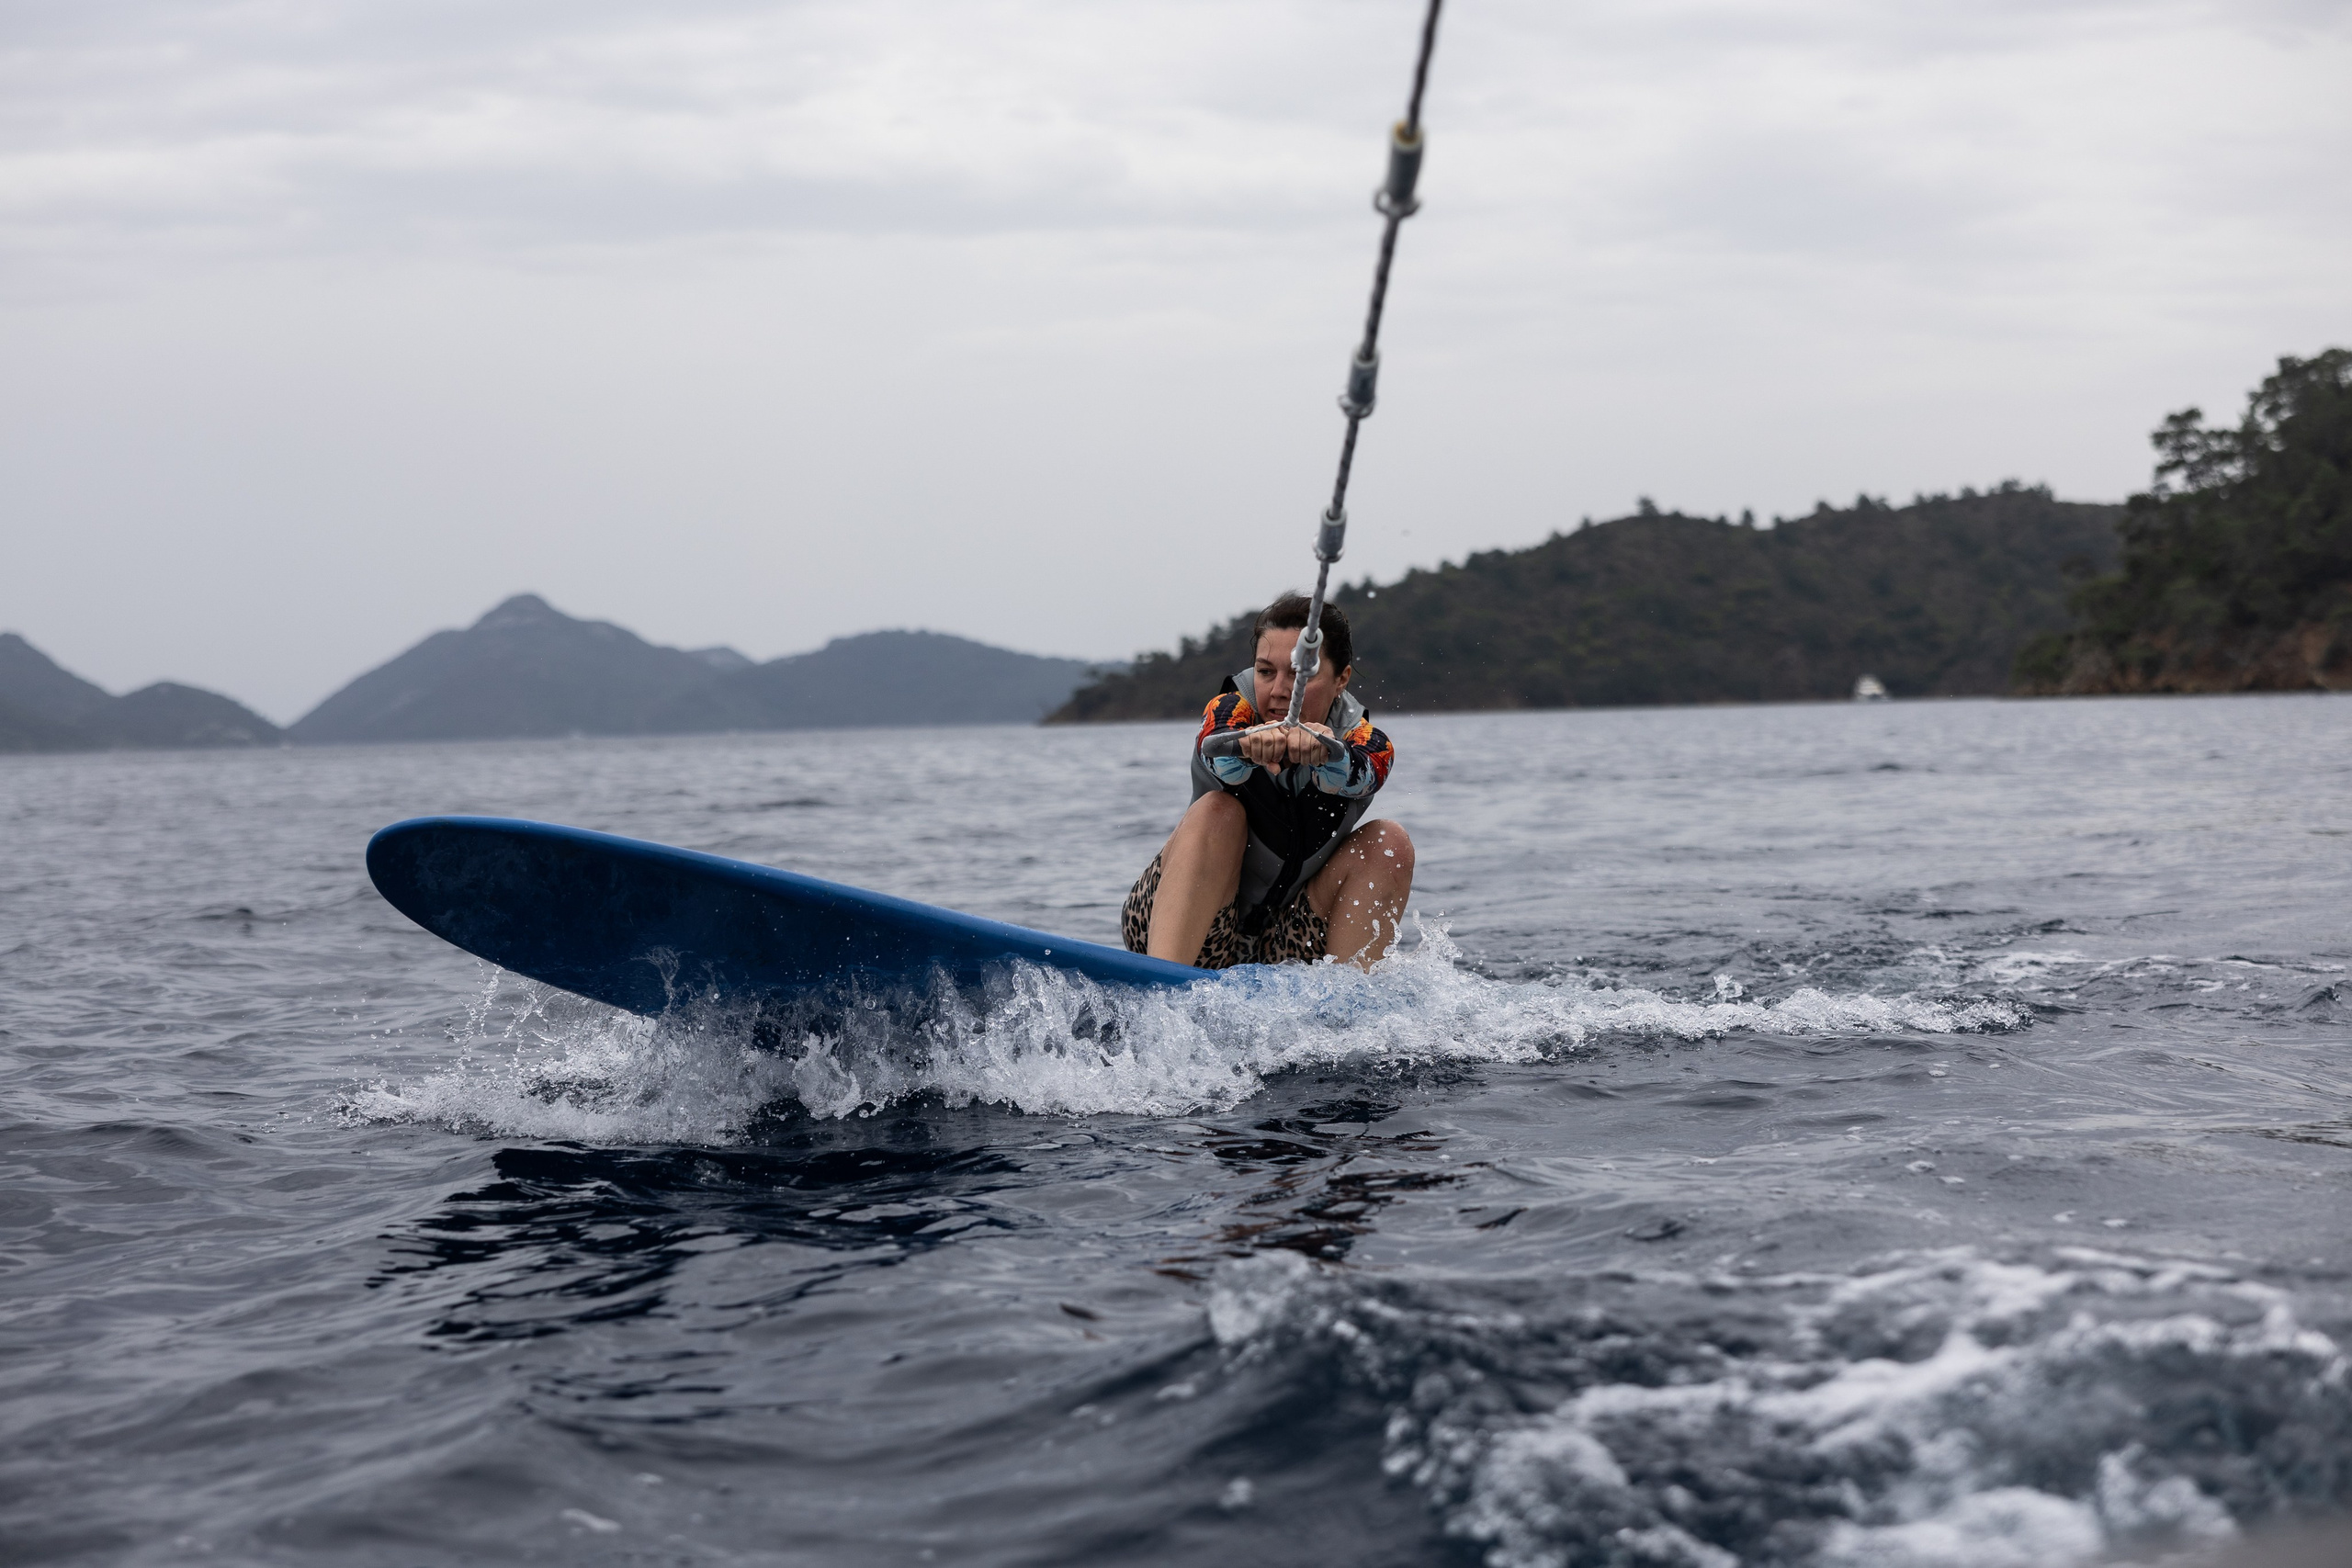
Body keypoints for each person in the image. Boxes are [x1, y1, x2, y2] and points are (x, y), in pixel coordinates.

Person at [1120, 592, 1414, 970]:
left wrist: (1327, 753)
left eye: (1299, 674)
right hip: (1186, 930)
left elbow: (1365, 772)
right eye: (1265, 671)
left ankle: (1348, 1010)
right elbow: (1215, 746)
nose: (1278, 690)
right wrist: (1248, 745)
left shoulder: (1365, 741)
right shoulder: (1229, 709)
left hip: (1286, 943)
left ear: (1341, 678)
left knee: (1389, 842)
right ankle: (1158, 988)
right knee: (1218, 810)